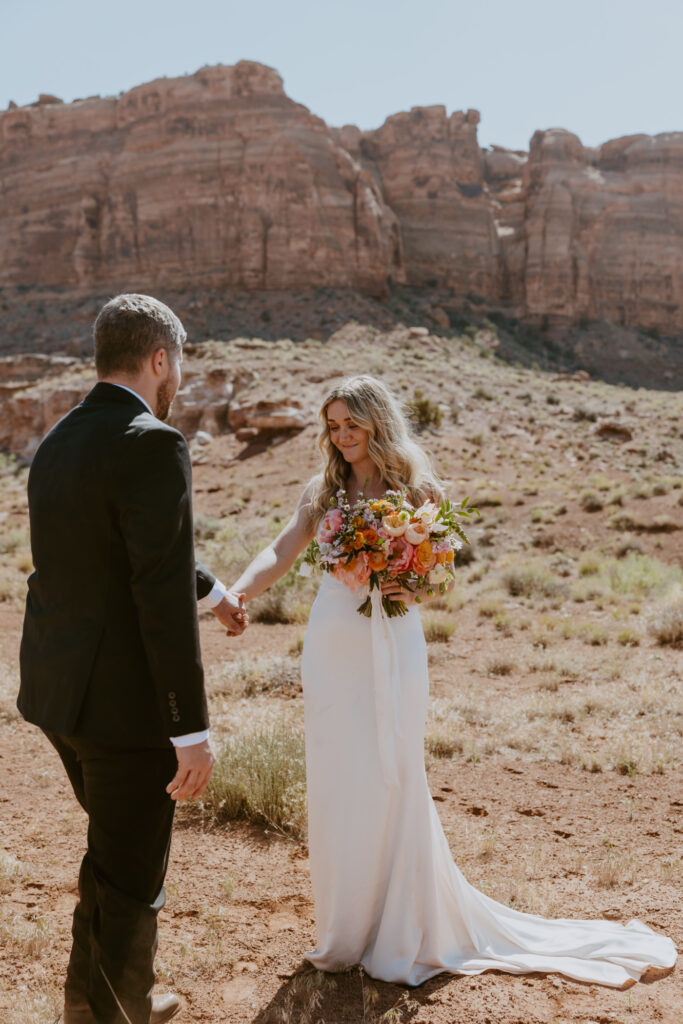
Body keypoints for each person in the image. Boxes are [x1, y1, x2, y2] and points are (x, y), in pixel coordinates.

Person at [228, 373, 677, 988]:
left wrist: (402, 578)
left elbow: (438, 576)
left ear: (377, 422)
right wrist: (237, 592)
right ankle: (347, 932)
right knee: (340, 778)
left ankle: (403, 925)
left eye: (352, 424)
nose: (343, 436)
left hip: (396, 639)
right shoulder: (323, 490)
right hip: (333, 643)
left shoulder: (419, 488)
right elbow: (282, 549)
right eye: (333, 426)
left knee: (395, 772)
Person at [18, 294, 245, 1024]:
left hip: (59, 697)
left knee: (110, 861)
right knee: (132, 877)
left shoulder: (59, 440)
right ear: (159, 359)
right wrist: (189, 729)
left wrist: (212, 594)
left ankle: (95, 1003)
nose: (176, 377)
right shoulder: (152, 440)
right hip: (125, 709)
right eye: (175, 364)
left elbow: (133, 550)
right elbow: (153, 586)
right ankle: (120, 1013)